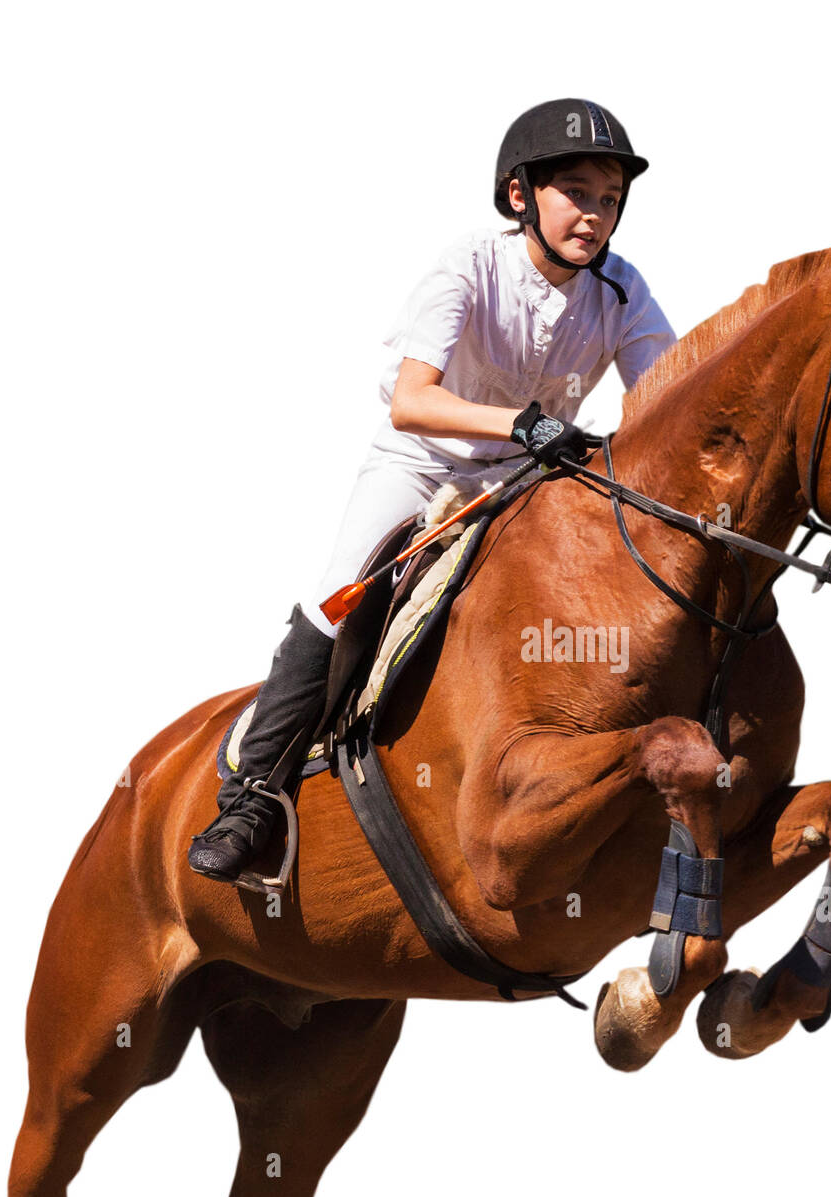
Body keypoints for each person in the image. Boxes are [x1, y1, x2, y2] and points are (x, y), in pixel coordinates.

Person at [188, 97, 677, 884]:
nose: (595, 215)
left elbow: (665, 397)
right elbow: (411, 399)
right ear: (521, 196)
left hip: (526, 476)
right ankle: (252, 798)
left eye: (611, 200)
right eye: (577, 193)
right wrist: (523, 425)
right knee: (344, 589)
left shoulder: (623, 289)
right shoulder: (468, 266)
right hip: (423, 462)